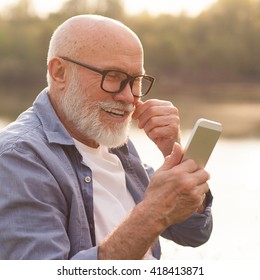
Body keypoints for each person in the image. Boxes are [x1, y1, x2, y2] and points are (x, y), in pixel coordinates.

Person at [0, 14, 212, 260]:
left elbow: (194, 233)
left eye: (136, 81)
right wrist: (152, 213)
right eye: (113, 77)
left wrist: (174, 154)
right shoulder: (17, 158)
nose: (129, 97)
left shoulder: (112, 142)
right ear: (59, 72)